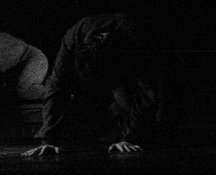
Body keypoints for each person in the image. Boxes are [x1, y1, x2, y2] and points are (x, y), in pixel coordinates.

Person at [23, 13, 162, 156]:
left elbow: (147, 92)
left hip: (129, 63)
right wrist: (48, 140)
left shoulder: (135, 40)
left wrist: (130, 139)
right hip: (97, 64)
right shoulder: (72, 39)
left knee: (153, 124)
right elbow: (56, 87)